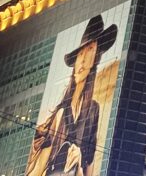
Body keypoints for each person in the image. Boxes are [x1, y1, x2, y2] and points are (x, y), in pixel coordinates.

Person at [25, 15, 118, 176]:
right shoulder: (61, 113)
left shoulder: (93, 110)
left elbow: (90, 163)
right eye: (79, 54)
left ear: (95, 58)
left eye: (89, 50)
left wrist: (79, 159)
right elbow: (41, 164)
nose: (82, 60)